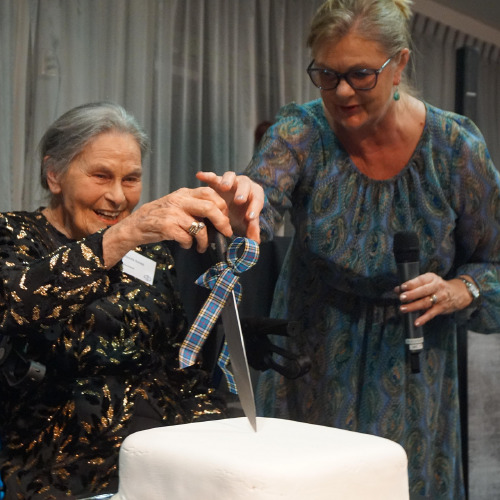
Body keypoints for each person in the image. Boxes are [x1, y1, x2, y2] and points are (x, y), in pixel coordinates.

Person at [200, 1, 500, 498]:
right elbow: (263, 196)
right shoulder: (302, 132)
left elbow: (494, 261)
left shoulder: (455, 150)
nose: (341, 92)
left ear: (400, 63)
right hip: (312, 362)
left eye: (361, 75)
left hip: (411, 370)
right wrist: (245, 207)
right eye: (326, 73)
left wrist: (460, 290)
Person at [0, 101, 263, 499]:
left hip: (162, 464)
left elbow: (177, 364)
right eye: (101, 176)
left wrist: (225, 443)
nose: (118, 198)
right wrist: (121, 237)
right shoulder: (15, 235)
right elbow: (15, 304)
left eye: (132, 179)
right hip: (63, 473)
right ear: (54, 175)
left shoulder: (150, 253)